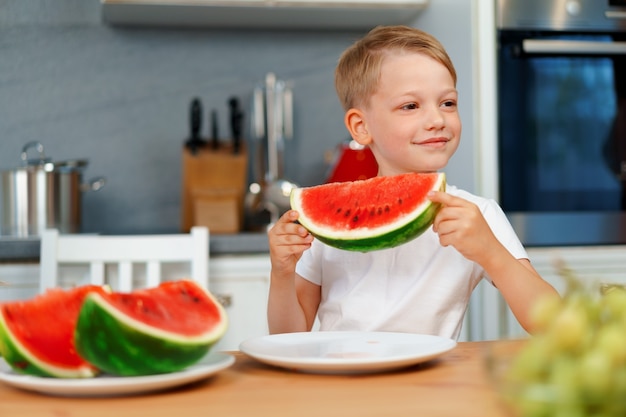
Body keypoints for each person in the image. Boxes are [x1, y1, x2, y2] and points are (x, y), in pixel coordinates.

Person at [266, 25, 558, 340]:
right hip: (344, 382)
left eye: (447, 103)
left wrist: (491, 252)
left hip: (432, 385)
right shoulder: (318, 229)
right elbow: (288, 336)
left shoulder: (476, 216)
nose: (437, 119)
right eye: (411, 106)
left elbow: (552, 323)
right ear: (361, 126)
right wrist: (282, 273)